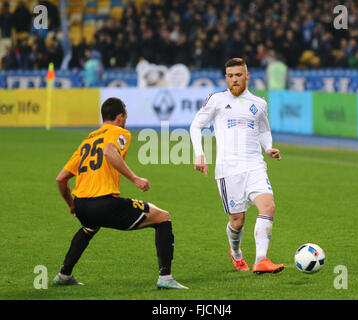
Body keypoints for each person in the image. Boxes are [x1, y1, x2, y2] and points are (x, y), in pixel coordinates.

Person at [54, 97, 188, 290]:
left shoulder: (89, 139)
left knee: (88, 228)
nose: (125, 119)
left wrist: (71, 205)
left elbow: (61, 179)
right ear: (119, 117)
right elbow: (109, 152)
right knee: (163, 218)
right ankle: (165, 278)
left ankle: (63, 275)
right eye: (125, 115)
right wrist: (135, 178)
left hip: (82, 204)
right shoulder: (120, 132)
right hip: (104, 204)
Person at [190, 57, 284, 274]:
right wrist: (199, 154)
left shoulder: (259, 103)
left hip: (254, 166)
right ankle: (236, 253)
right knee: (237, 220)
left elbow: (263, 130)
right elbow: (196, 126)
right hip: (228, 169)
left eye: (238, 75)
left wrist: (268, 147)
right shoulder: (216, 100)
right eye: (230, 76)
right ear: (226, 78)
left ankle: (261, 260)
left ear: (247, 76)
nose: (234, 80)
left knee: (268, 206)